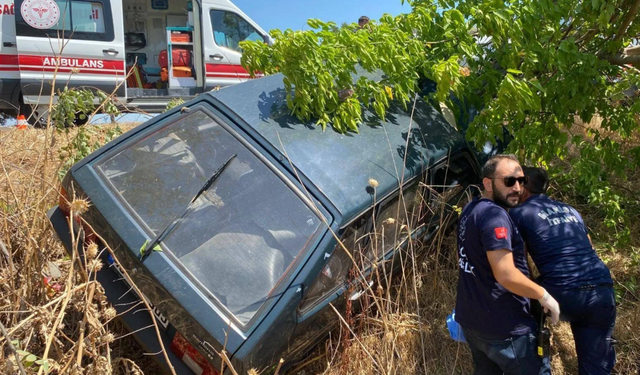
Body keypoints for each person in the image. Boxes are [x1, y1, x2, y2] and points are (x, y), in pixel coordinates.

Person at [455, 154, 559, 375]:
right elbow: (506, 275)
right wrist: (543, 295)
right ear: (487, 183)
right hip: (506, 329)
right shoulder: (495, 216)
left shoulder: (470, 210)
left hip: (474, 324)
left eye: (522, 181)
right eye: (509, 181)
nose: (518, 188)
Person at [509, 167, 616, 375]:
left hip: (563, 291)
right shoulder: (571, 210)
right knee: (596, 370)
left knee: (519, 302)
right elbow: (590, 247)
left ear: (525, 183)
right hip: (603, 290)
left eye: (517, 181)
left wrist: (533, 297)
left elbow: (519, 264)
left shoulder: (519, 213)